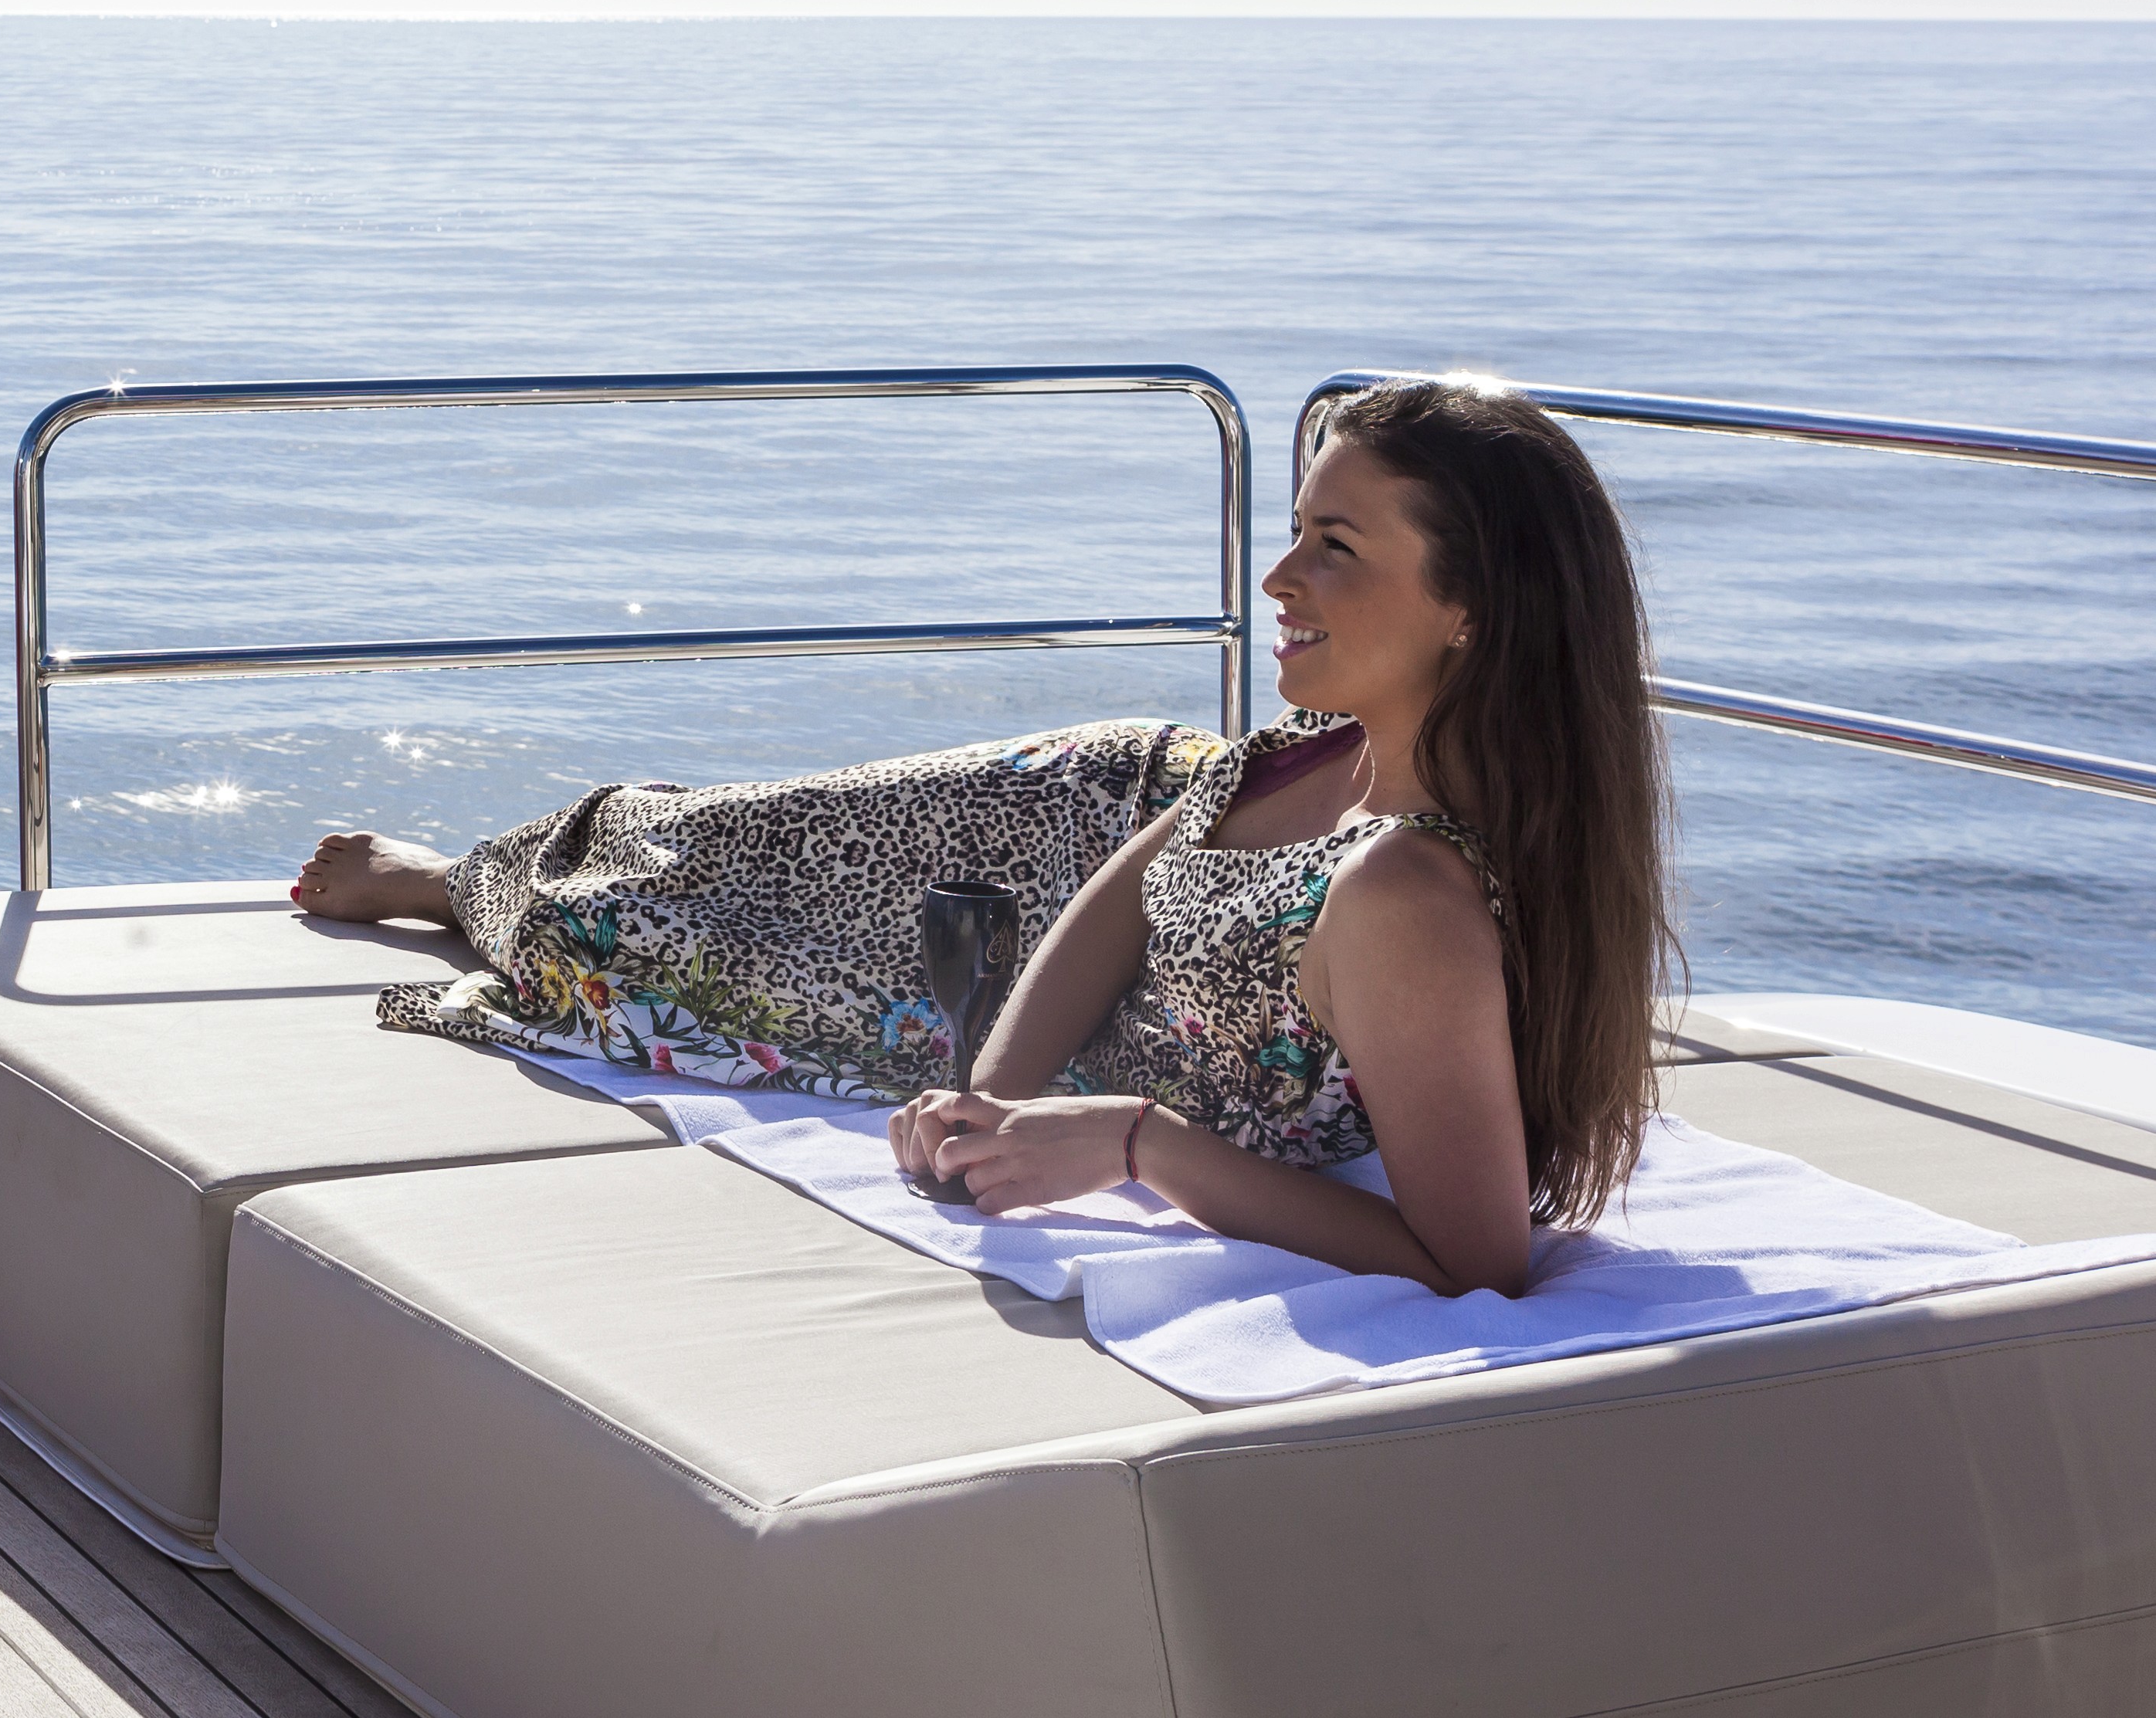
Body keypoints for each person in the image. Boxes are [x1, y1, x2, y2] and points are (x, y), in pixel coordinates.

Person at [293, 377, 1676, 1298]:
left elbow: (1471, 1261)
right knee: (719, 835)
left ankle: (465, 885)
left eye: (1335, 547)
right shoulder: (1322, 746)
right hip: (1070, 813)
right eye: (1295, 532)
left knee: (618, 944)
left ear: (1468, 609)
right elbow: (1116, 905)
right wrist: (991, 1093)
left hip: (1064, 1000)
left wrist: (1137, 1144)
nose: (1276, 576)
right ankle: (457, 873)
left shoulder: (1409, 894)